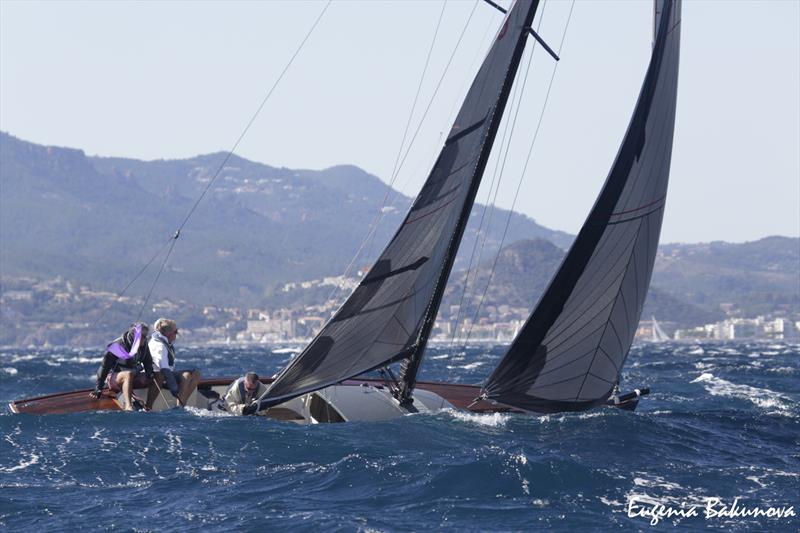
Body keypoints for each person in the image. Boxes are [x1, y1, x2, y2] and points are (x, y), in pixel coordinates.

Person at [90, 322, 155, 411]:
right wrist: (98, 388)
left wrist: (150, 373)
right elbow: (104, 367)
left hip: (134, 374)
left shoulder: (143, 345)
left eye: (146, 336)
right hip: (114, 377)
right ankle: (129, 406)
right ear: (134, 336)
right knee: (128, 374)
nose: (145, 338)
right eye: (143, 336)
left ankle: (149, 406)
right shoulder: (117, 346)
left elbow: (148, 361)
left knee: (158, 375)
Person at [146, 318, 201, 409]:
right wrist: (174, 388)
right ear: (169, 334)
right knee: (186, 376)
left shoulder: (166, 342)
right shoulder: (159, 346)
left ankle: (180, 406)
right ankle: (149, 406)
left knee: (195, 374)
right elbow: (163, 368)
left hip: (166, 372)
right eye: (176, 332)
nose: (177, 334)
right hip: (156, 375)